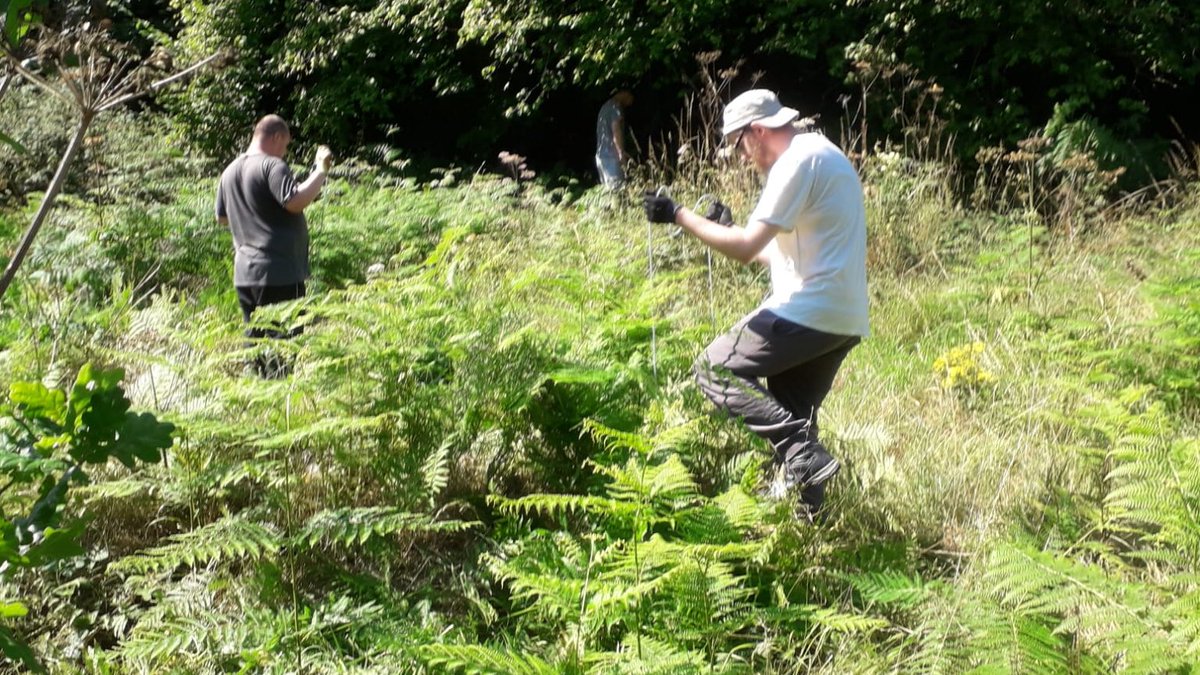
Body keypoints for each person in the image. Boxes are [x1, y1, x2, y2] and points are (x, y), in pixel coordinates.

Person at [642, 89, 869, 516]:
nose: (742, 156)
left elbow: (745, 249)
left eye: (738, 144)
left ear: (758, 131)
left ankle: (803, 453)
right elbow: (779, 252)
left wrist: (678, 215)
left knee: (712, 367)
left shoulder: (794, 163)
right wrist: (727, 227)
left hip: (808, 313)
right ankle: (807, 521)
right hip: (843, 320)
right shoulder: (822, 154)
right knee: (793, 411)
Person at [215, 114, 332, 375]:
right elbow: (294, 201)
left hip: (246, 274)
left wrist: (252, 213)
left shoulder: (230, 170)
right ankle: (279, 405)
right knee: (282, 344)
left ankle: (257, 400)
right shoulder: (272, 165)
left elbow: (222, 218)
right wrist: (320, 171)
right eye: (286, 144)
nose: (285, 151)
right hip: (278, 272)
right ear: (276, 137)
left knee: (255, 344)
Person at [595, 90, 634, 189]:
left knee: (609, 193)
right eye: (631, 99)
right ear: (625, 93)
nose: (630, 103)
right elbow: (616, 130)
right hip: (612, 157)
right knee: (618, 192)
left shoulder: (605, 107)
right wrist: (621, 153)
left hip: (601, 157)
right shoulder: (615, 108)